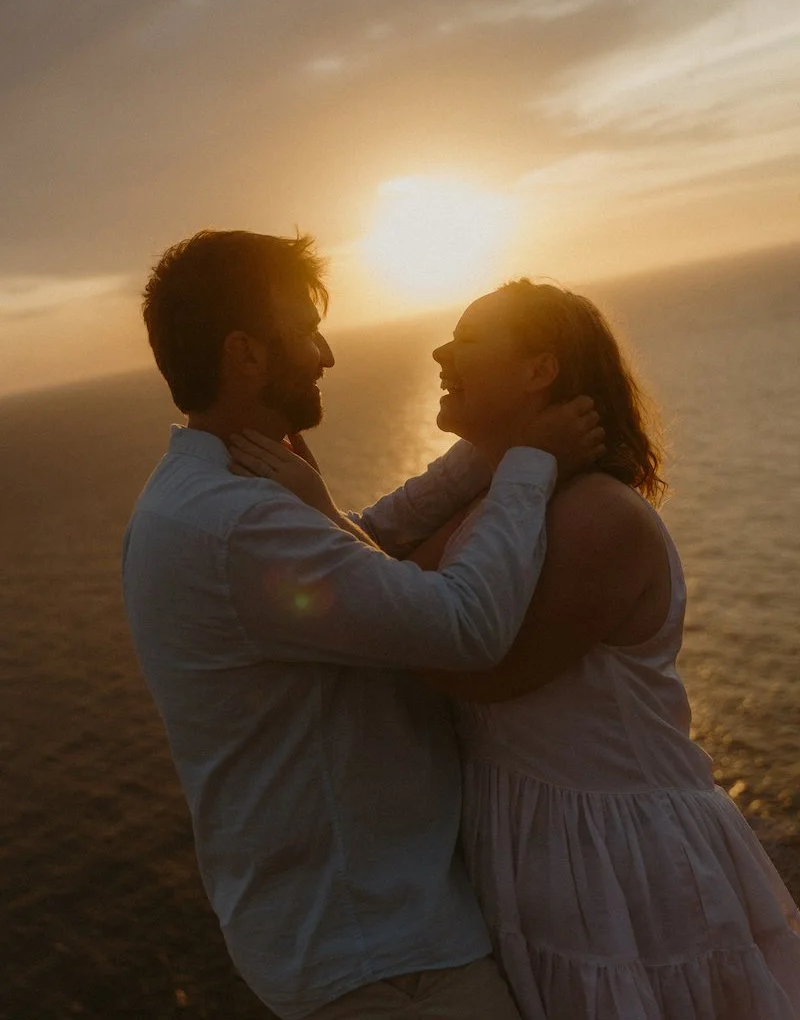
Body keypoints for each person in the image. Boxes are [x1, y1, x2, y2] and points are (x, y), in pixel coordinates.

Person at [235, 279, 800, 1020]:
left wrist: (318, 518)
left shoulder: (597, 516)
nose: (441, 353)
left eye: (468, 339)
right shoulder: (498, 503)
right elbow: (401, 586)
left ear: (540, 369)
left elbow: (475, 665)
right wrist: (489, 463)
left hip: (619, 863)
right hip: (537, 846)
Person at [122, 229, 604, 1020]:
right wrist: (528, 464)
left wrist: (485, 455)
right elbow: (466, 625)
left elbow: (355, 551)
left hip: (337, 939)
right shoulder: (239, 524)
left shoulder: (196, 496)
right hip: (389, 962)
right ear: (246, 354)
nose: (326, 354)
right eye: (306, 330)